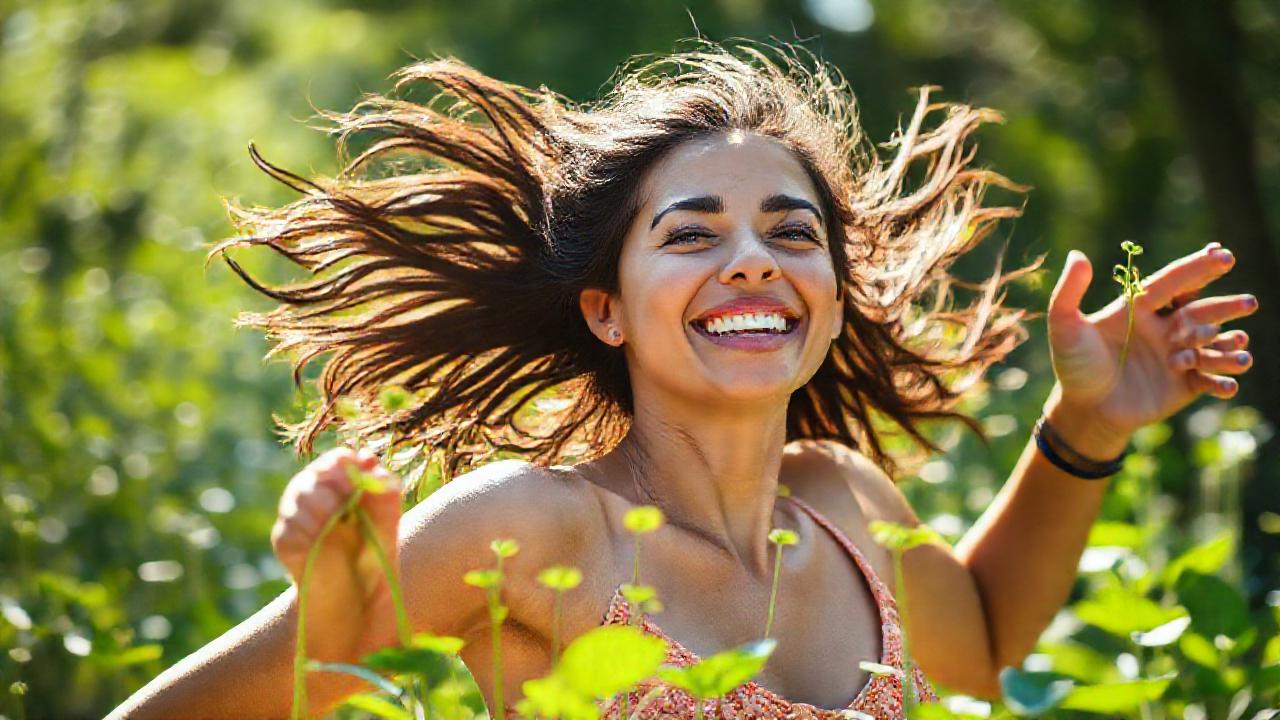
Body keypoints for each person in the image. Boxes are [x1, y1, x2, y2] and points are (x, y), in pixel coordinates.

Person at [110, 38, 1258, 719]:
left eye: (789, 232)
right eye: (693, 233)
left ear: (829, 296)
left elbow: (986, 644)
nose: (752, 256)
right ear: (604, 308)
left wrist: (1085, 425)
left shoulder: (848, 506)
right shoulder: (534, 528)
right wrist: (332, 620)